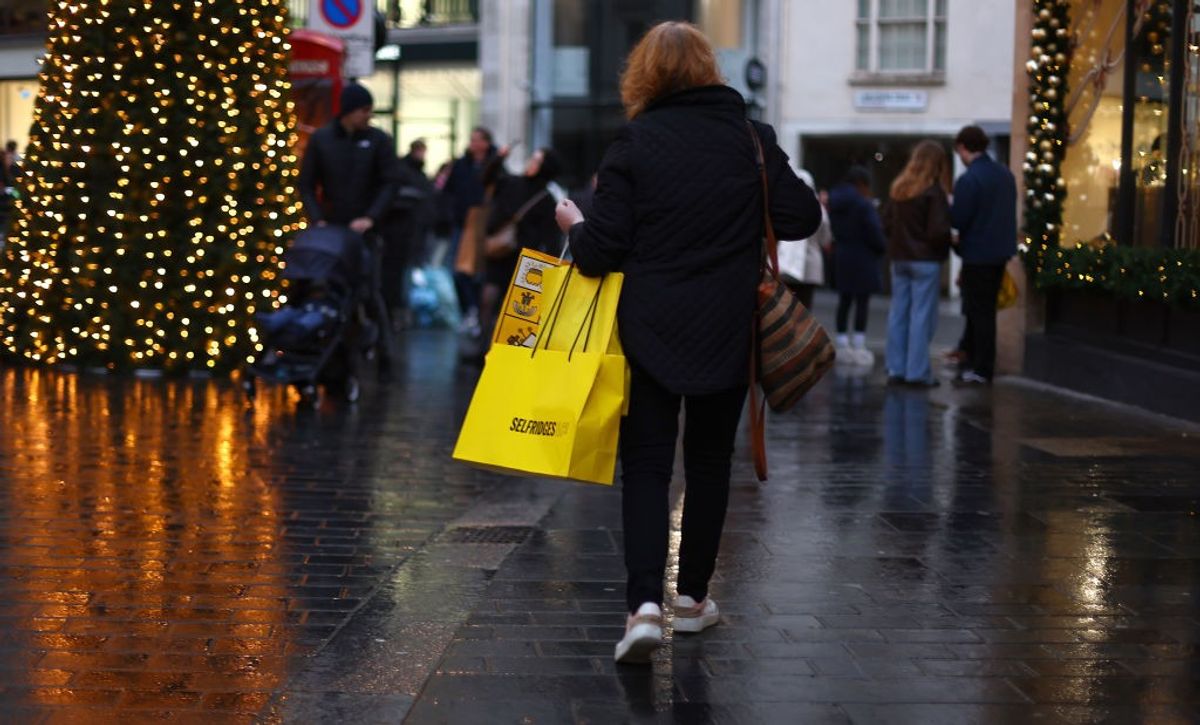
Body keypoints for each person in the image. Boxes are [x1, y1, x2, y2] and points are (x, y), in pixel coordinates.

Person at [554, 21, 821, 665]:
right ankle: (694, 600)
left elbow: (597, 253)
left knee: (646, 465)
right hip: (729, 331)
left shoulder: (634, 144)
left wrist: (573, 221)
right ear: (710, 69)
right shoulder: (750, 140)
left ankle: (644, 606)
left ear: (643, 75)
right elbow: (802, 216)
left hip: (647, 331)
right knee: (707, 465)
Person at [298, 83, 401, 380]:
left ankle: (383, 350)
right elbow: (307, 183)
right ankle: (331, 346)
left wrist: (371, 217)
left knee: (369, 288)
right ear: (349, 110)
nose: (368, 116)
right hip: (331, 229)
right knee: (328, 286)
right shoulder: (323, 139)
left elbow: (389, 181)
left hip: (364, 229)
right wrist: (317, 219)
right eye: (364, 110)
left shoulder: (378, 140)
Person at [949, 125, 1017, 385]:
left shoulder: (969, 179)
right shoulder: (1004, 174)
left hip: (977, 253)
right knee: (985, 310)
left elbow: (959, 218)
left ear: (964, 148)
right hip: (999, 252)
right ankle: (974, 357)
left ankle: (981, 367)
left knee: (980, 312)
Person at [882, 140, 953, 388]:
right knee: (921, 317)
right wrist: (949, 242)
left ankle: (895, 368)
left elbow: (886, 224)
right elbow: (937, 231)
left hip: (900, 258)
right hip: (925, 261)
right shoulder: (933, 192)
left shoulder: (898, 189)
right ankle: (917, 373)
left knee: (898, 314)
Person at [478, 147, 564, 350]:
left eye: (536, 160)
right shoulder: (537, 194)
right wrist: (498, 157)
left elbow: (550, 238)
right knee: (495, 300)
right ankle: (489, 345)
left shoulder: (539, 195)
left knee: (500, 301)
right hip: (513, 255)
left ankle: (493, 345)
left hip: (516, 256)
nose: (530, 163)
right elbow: (486, 178)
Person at [827, 166, 886, 366]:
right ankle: (859, 343)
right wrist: (881, 247)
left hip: (842, 254)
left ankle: (842, 343)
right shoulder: (864, 205)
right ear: (861, 184)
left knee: (844, 300)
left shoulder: (834, 202)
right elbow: (874, 234)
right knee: (862, 300)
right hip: (863, 257)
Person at [442, 127, 500, 327]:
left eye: (478, 140)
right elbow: (449, 191)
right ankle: (469, 310)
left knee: (479, 272)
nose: (474, 144)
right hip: (462, 223)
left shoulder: (494, 165)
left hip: (483, 225)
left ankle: (477, 313)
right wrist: (452, 213)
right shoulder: (462, 164)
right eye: (472, 140)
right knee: (457, 270)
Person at [381, 139, 437, 329]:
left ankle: (399, 311)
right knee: (399, 274)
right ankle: (398, 311)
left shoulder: (407, 172)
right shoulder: (405, 172)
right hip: (403, 231)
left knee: (402, 273)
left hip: (409, 229)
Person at [777, 168, 830, 309]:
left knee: (785, 306)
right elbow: (825, 239)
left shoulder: (784, 206)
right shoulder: (819, 209)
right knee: (805, 307)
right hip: (810, 266)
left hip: (785, 264)